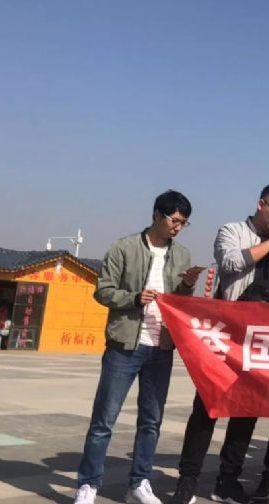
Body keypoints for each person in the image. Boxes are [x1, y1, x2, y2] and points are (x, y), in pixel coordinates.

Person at [169, 184, 269, 504]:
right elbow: (230, 263)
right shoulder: (232, 231)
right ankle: (187, 480)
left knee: (247, 411)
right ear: (261, 205)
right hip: (227, 335)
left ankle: (227, 481)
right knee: (207, 407)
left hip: (264, 339)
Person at [73, 190, 198, 504]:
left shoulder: (182, 255)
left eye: (184, 223)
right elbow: (103, 291)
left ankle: (139, 483)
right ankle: (88, 484)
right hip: (124, 346)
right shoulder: (124, 247)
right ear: (156, 215)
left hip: (161, 347)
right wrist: (134, 298)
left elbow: (180, 302)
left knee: (151, 422)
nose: (178, 228)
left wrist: (187, 286)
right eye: (175, 220)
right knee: (104, 420)